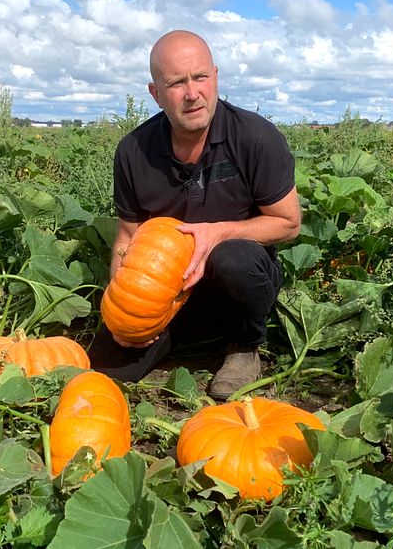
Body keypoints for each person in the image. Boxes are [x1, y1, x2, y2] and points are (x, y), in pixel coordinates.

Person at [90, 29, 300, 399]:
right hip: (167, 291)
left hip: (234, 286)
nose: (192, 93)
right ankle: (183, 340)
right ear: (156, 93)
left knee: (233, 255)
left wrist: (215, 232)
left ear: (215, 76)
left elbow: (288, 222)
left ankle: (243, 346)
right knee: (105, 371)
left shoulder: (255, 137)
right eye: (176, 83)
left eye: (200, 77)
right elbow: (127, 237)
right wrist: (122, 302)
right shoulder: (133, 152)